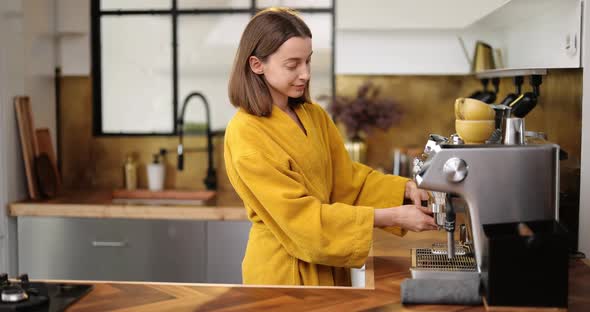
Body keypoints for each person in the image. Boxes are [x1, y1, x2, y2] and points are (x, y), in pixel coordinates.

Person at [224, 7, 437, 286]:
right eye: (292, 65)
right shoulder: (246, 133)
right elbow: (301, 219)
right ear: (256, 65)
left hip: (328, 269)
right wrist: (393, 215)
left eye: (308, 62)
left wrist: (404, 190)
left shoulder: (313, 116)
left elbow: (346, 180)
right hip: (282, 278)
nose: (305, 74)